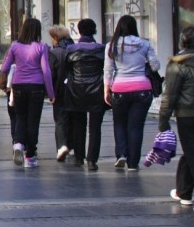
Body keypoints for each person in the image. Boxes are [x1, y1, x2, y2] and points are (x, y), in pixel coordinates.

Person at [105, 13, 161, 171]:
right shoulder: (145, 44)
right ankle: (133, 163)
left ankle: (121, 154)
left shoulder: (112, 45)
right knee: (136, 127)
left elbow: (108, 70)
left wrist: (106, 90)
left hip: (119, 89)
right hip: (142, 89)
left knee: (119, 123)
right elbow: (155, 66)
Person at [0, 18, 56, 167]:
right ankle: (30, 156)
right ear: (37, 31)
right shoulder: (41, 47)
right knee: (33, 121)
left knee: (21, 117)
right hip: (36, 86)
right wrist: (51, 93)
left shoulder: (15, 46)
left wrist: (3, 83)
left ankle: (18, 144)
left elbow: (5, 67)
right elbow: (46, 71)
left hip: (18, 86)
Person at [63, 18, 107, 170]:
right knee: (95, 127)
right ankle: (92, 160)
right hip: (97, 90)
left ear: (79, 31)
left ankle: (79, 157)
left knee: (78, 125)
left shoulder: (71, 49)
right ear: (94, 30)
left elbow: (66, 71)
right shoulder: (102, 49)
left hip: (77, 90)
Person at [158, 25, 194, 206]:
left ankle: (185, 192)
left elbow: (170, 95)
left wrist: (163, 121)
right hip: (187, 113)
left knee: (191, 151)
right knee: (189, 152)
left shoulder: (177, 64)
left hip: (187, 115)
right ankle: (184, 192)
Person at [46, 25, 72, 161]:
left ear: (56, 38)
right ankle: (75, 148)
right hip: (75, 91)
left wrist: (50, 93)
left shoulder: (54, 53)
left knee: (60, 120)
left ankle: (62, 146)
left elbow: (50, 74)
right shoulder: (74, 49)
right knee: (75, 119)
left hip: (60, 91)